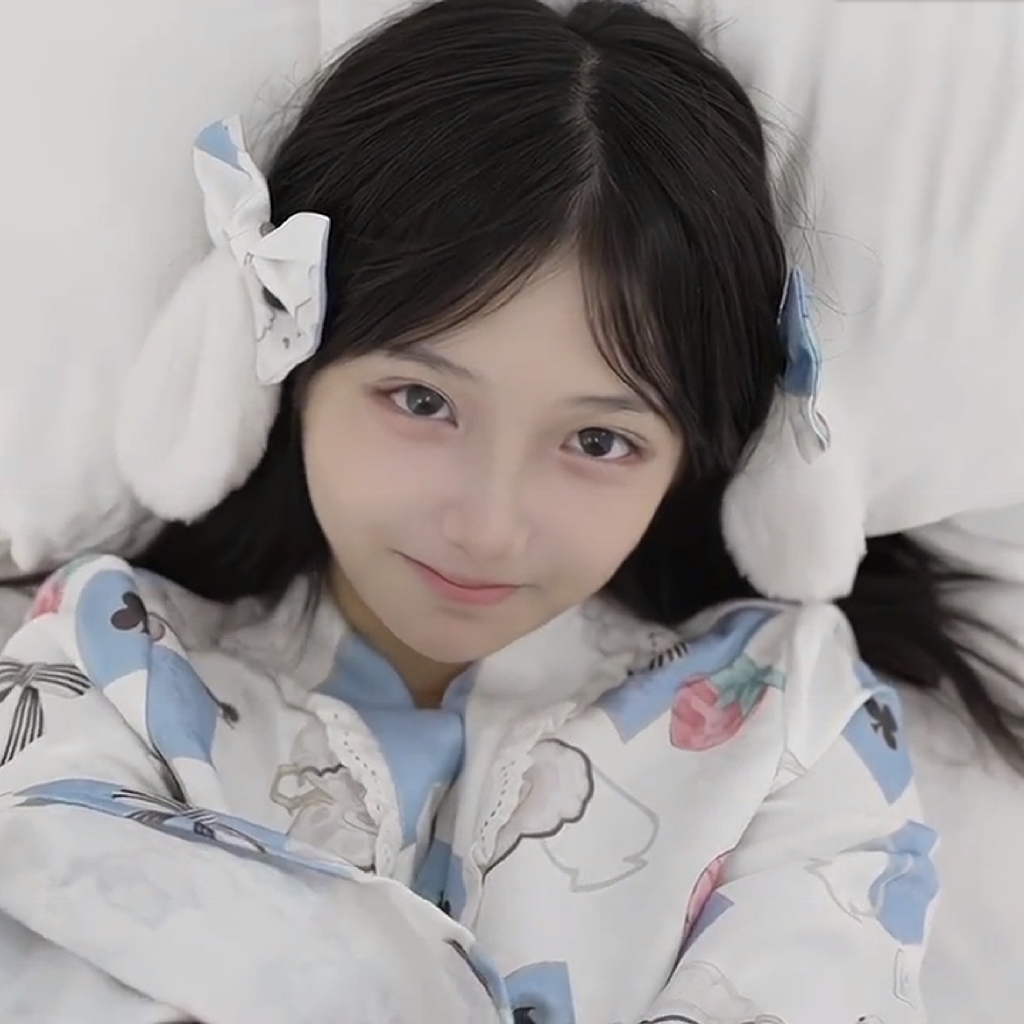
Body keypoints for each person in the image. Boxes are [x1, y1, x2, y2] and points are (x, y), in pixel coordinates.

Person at [0, 1, 1018, 1021]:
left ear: (694, 454)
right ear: (289, 362)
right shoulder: (105, 667)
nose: (488, 525)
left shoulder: (793, 720)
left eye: (598, 441)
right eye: (421, 401)